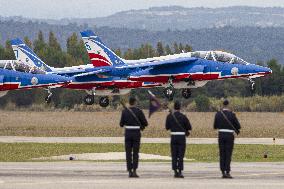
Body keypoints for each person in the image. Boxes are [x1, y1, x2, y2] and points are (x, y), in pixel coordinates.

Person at [120, 97, 148, 178]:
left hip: (128, 133)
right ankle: (134, 171)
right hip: (136, 133)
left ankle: (129, 171)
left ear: (129, 102)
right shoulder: (139, 111)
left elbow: (121, 124)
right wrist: (140, 125)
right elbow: (145, 123)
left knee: (128, 153)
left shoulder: (125, 111)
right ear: (135, 102)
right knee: (135, 153)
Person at [214, 99, 241, 179]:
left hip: (221, 135)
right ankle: (227, 171)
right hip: (229, 135)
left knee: (222, 154)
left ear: (223, 105)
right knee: (228, 154)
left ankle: (223, 171)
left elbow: (215, 126)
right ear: (228, 105)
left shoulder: (218, 114)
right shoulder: (232, 114)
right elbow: (238, 126)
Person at [165, 101, 192, 178]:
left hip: (173, 137)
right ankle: (180, 171)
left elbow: (167, 127)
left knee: (174, 155)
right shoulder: (183, 116)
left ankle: (175, 171)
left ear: (174, 107)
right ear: (180, 107)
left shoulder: (170, 116)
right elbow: (189, 127)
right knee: (180, 155)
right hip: (181, 137)